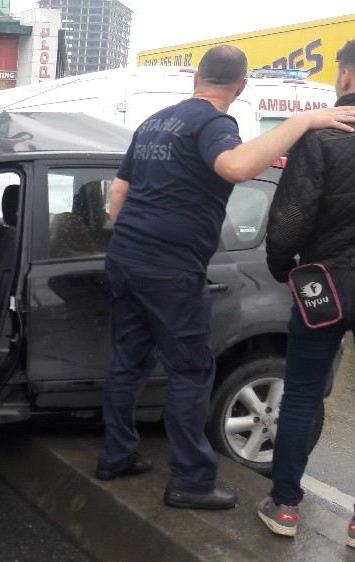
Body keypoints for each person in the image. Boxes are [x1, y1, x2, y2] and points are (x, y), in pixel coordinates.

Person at [97, 44, 355, 510]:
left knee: (128, 361)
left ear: (196, 76)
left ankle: (115, 455)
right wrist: (303, 121)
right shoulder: (216, 123)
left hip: (126, 256)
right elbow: (235, 167)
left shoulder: (155, 121)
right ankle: (190, 483)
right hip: (170, 268)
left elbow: (118, 194)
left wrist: (138, 235)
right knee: (191, 371)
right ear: (241, 86)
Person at [258, 39, 355, 540]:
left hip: (326, 285)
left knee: (300, 394)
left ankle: (286, 507)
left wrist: (281, 267)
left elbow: (291, 215)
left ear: (344, 76)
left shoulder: (322, 134)